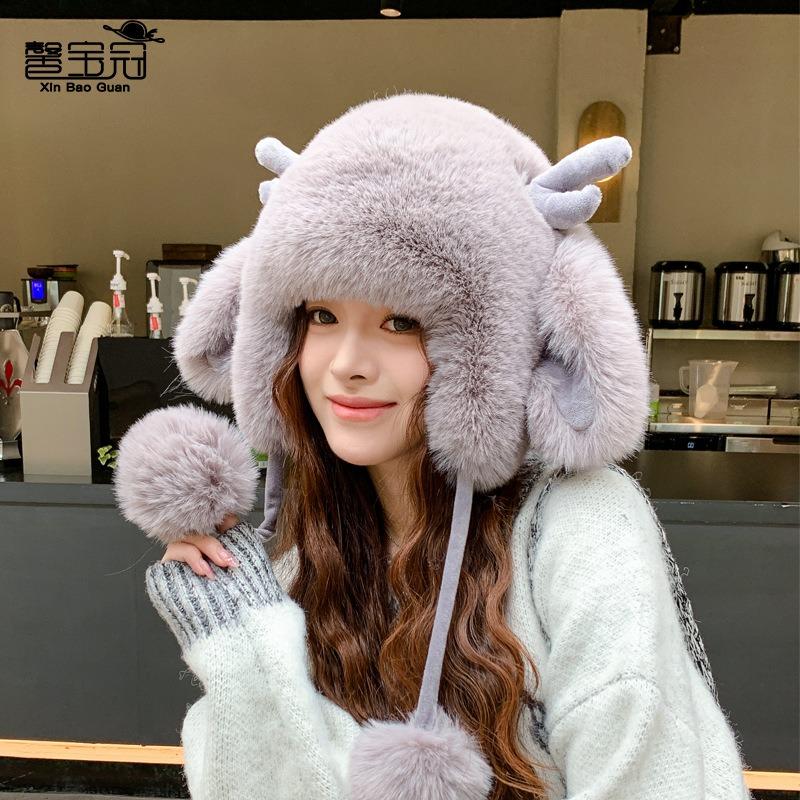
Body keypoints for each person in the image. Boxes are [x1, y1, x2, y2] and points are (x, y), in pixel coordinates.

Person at [113, 93, 752, 800]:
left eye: (403, 322)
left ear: (495, 349)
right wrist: (241, 637)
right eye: (321, 315)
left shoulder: (580, 525)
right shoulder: (306, 534)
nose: (346, 364)